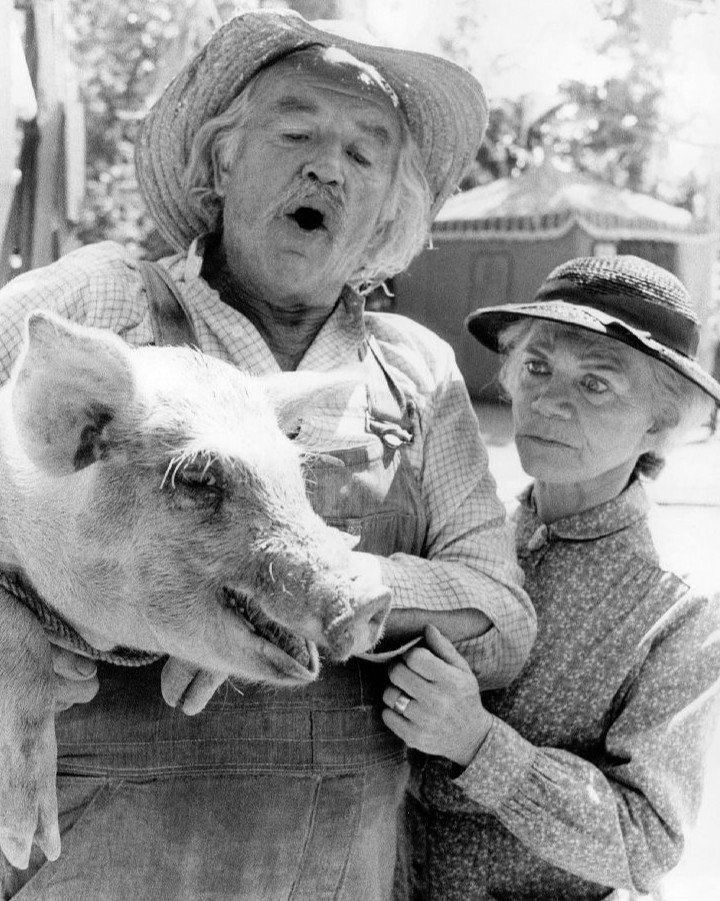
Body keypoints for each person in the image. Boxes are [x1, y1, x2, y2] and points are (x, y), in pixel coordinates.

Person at [0, 10, 535, 900]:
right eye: (297, 132)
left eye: (366, 154)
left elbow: (503, 613)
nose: (330, 164)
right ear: (219, 163)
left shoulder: (416, 372)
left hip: (339, 869)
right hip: (98, 861)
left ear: (386, 210)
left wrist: (307, 585)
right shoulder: (97, 303)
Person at [383, 255, 720, 900]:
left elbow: (647, 841)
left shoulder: (676, 610)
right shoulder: (463, 534)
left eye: (596, 384)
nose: (548, 402)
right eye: (537, 368)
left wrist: (477, 743)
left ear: (659, 423)